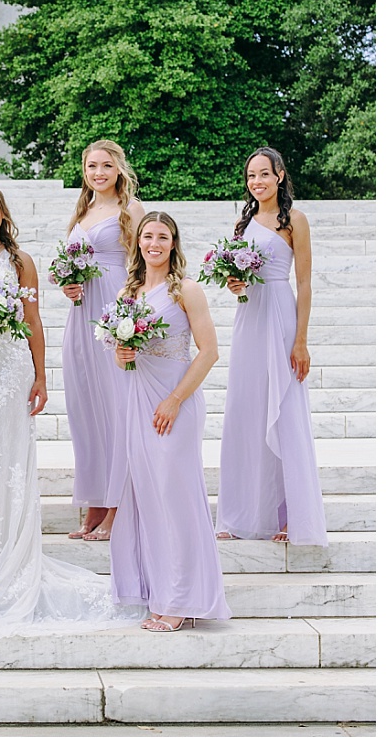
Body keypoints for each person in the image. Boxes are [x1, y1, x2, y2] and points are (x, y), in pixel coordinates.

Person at [0, 186, 141, 632]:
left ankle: (11, 554)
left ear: (4, 215)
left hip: (9, 369)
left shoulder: (21, 260)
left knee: (8, 458)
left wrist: (40, 376)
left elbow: (32, 320)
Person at [110, 212, 231, 631]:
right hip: (138, 399)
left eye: (163, 237)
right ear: (138, 243)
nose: (154, 243)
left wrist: (175, 399)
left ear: (174, 243)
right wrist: (121, 354)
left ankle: (182, 599)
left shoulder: (188, 291)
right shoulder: (130, 292)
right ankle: (159, 594)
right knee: (149, 498)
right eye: (148, 236)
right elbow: (121, 352)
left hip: (174, 402)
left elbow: (209, 350)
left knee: (175, 496)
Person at [214, 149, 327, 547]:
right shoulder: (241, 223)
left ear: (279, 176)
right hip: (249, 319)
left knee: (284, 413)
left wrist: (301, 340)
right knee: (244, 410)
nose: (257, 182)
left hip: (281, 316)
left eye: (264, 174)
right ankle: (237, 513)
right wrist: (234, 284)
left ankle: (289, 515)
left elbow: (306, 282)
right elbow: (236, 278)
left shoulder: (294, 220)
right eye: (251, 176)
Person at [58, 140, 146, 542]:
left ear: (118, 169)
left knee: (115, 409)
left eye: (106, 166)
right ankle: (94, 503)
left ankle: (118, 509)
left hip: (113, 311)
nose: (98, 173)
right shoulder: (82, 210)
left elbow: (143, 267)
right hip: (80, 317)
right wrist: (69, 286)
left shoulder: (131, 210)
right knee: (85, 410)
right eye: (92, 166)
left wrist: (127, 317)